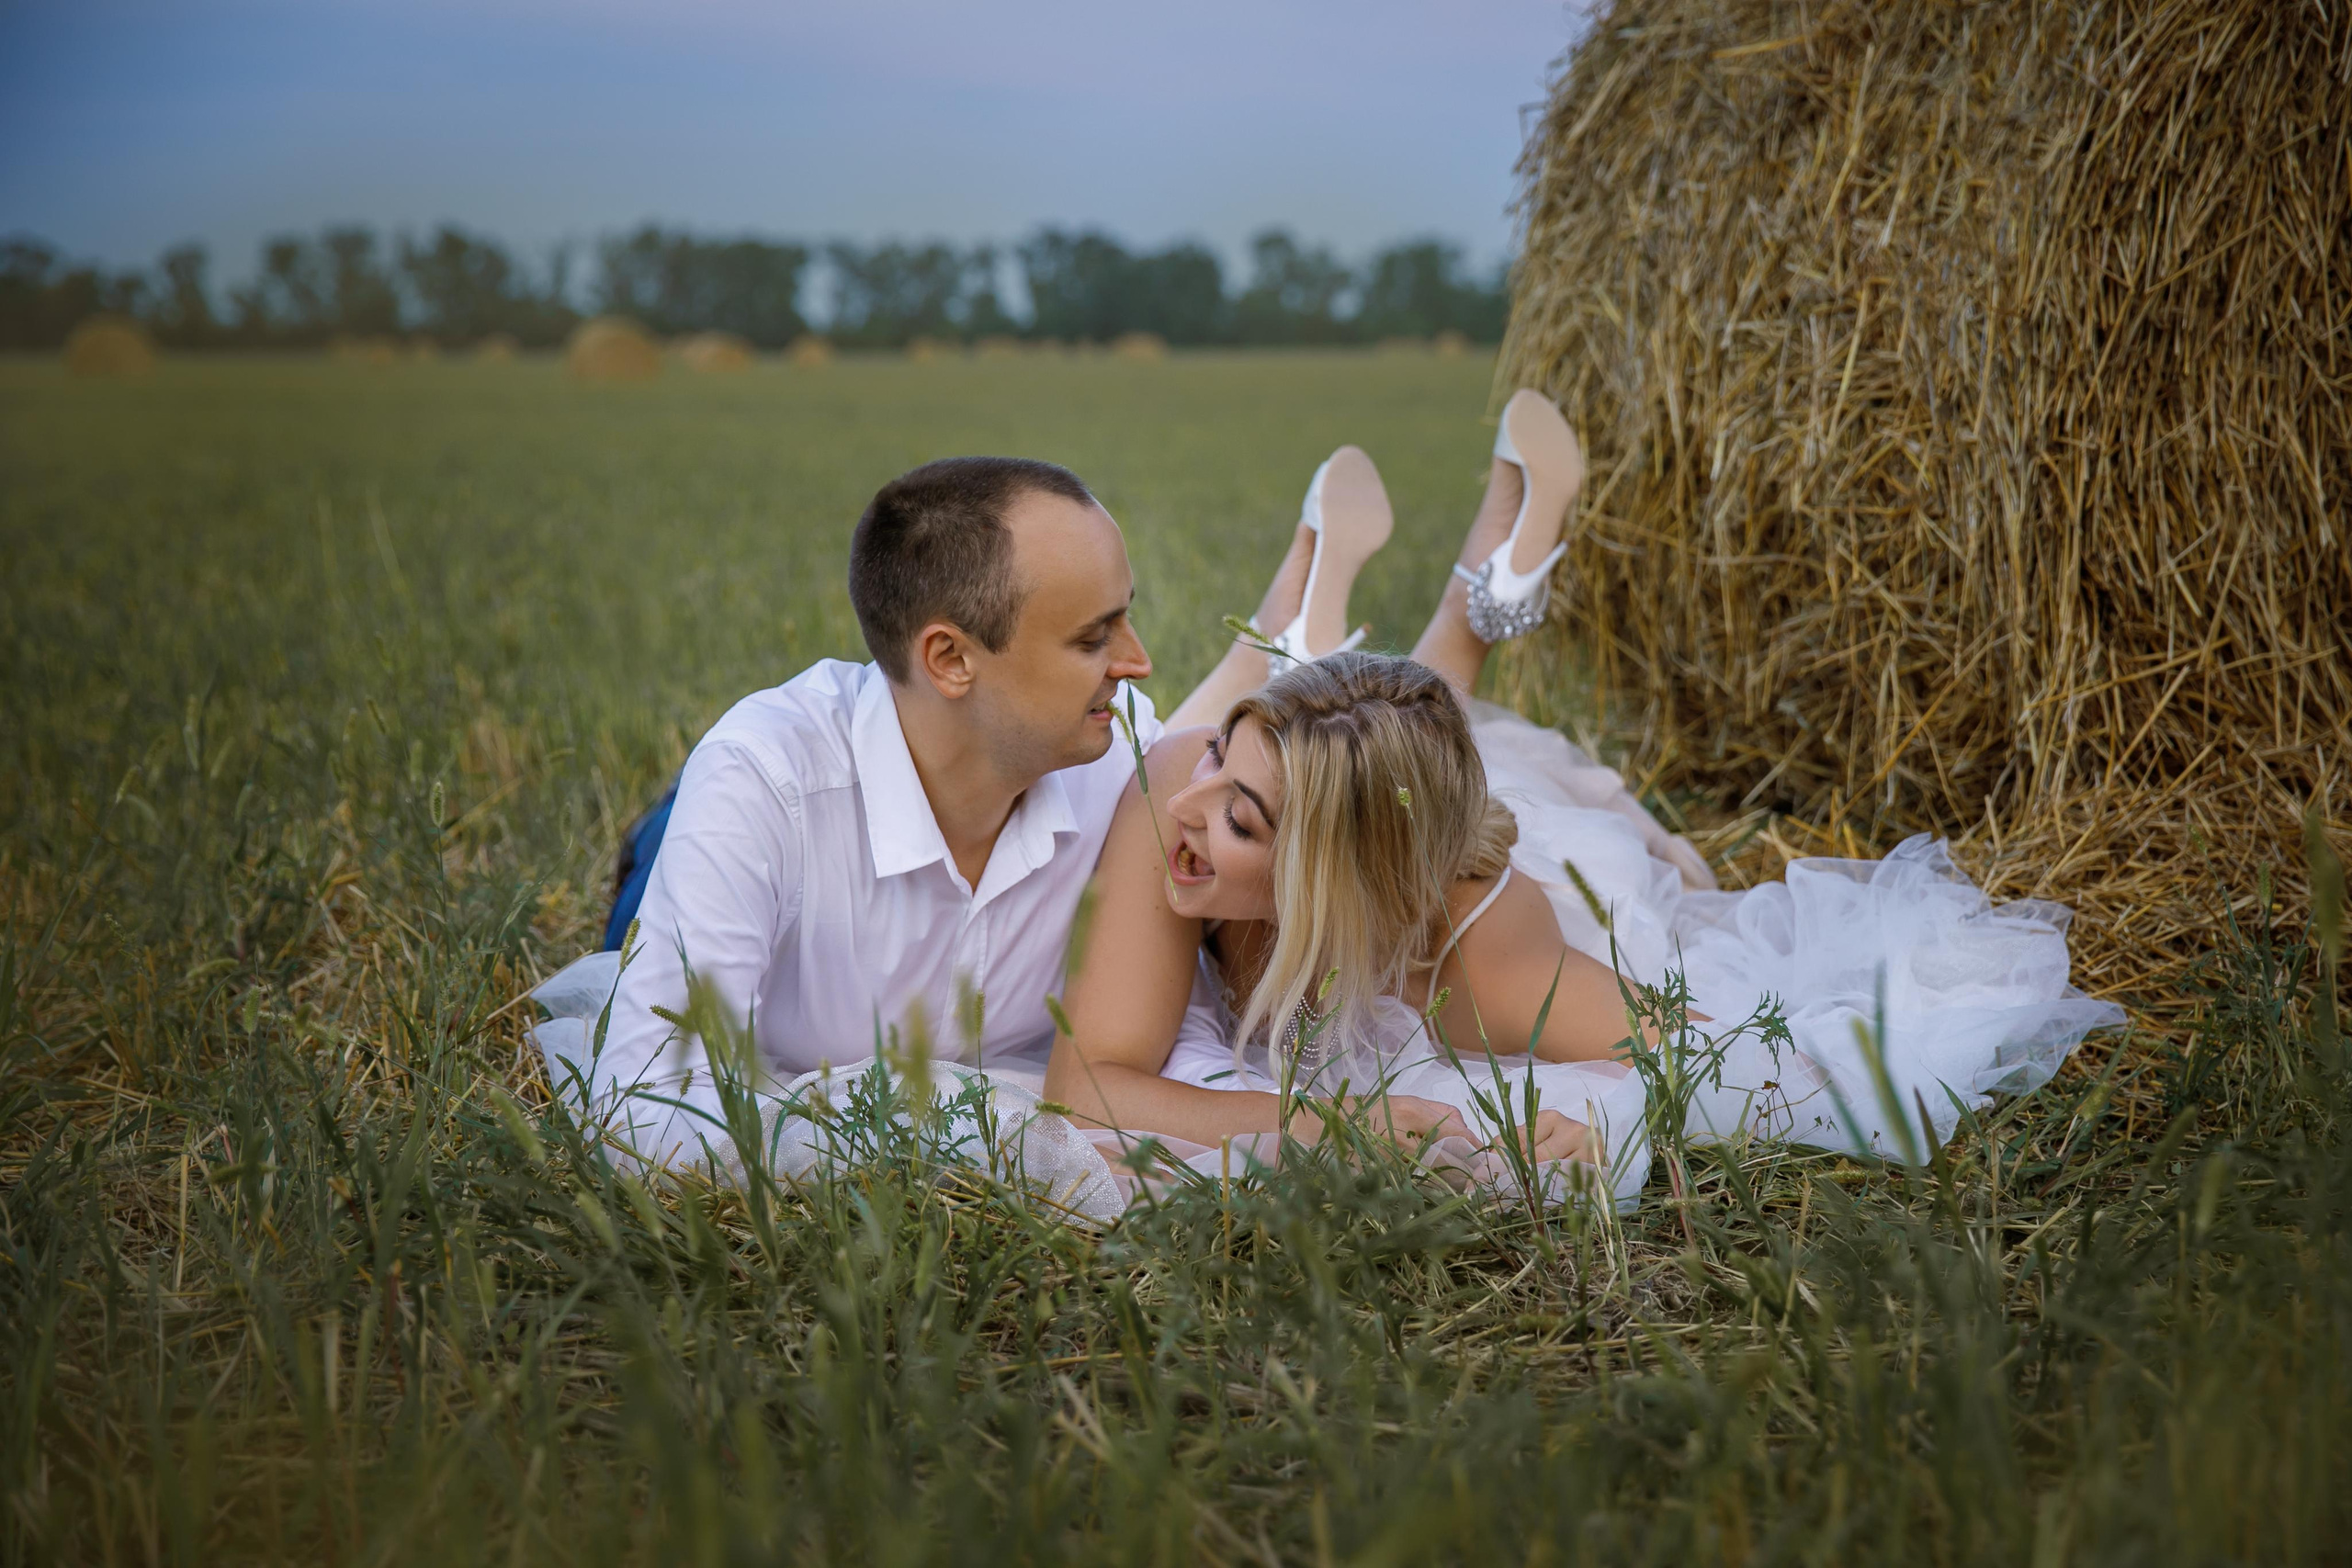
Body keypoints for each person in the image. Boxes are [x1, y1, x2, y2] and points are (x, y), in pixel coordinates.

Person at [1044, 391, 2125, 1201]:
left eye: (1242, 818)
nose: (1185, 810)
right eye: (1216, 766)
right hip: (1384, 806)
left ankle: (1453, 566)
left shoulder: (1479, 953)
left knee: (1400, 758)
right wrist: (1324, 1129)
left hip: (1512, 872)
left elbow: (1725, 1058)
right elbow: (1088, 1086)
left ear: (1328, 876)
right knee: (1375, 732)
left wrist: (1610, 1130)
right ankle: (1464, 574)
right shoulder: (1173, 800)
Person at [533, 456, 1157, 1167]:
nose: (1137, 661)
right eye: (1092, 638)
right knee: (669, 873)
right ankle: (663, 822)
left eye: (1126, 618)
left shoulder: (1127, 751)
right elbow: (647, 1115)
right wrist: (947, 1147)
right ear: (950, 658)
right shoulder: (764, 781)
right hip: (758, 822)